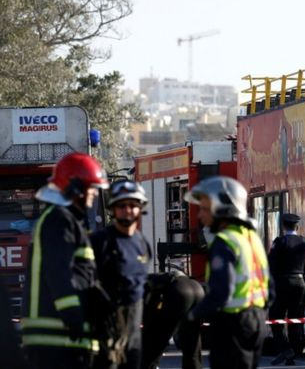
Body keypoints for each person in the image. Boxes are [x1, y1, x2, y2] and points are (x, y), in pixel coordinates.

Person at [21, 152, 109, 369]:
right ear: (76, 188)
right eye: (91, 189)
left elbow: (83, 277)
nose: (93, 196)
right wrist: (75, 320)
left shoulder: (68, 221)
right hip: (57, 341)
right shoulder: (59, 221)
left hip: (64, 339)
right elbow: (61, 275)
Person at [184, 176, 273, 369]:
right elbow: (270, 288)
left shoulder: (224, 242)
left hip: (232, 325)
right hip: (256, 322)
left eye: (205, 209)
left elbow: (221, 292)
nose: (200, 216)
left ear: (222, 210)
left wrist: (192, 315)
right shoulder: (252, 238)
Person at [90, 180, 151, 369]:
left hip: (133, 331)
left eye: (133, 205)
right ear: (113, 209)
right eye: (122, 206)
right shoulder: (99, 242)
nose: (128, 210)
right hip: (104, 331)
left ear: (140, 209)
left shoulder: (142, 243)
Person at [268, 213, 305, 366]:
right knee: (295, 320)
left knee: (275, 319)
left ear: (283, 226)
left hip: (282, 283)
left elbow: (271, 265)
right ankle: (292, 353)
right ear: (297, 226)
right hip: (300, 283)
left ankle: (285, 349)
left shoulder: (279, 242)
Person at [141, 271, 204, 369]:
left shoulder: (143, 286)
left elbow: (149, 317)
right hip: (198, 289)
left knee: (155, 343)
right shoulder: (155, 279)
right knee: (192, 343)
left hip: (179, 291)